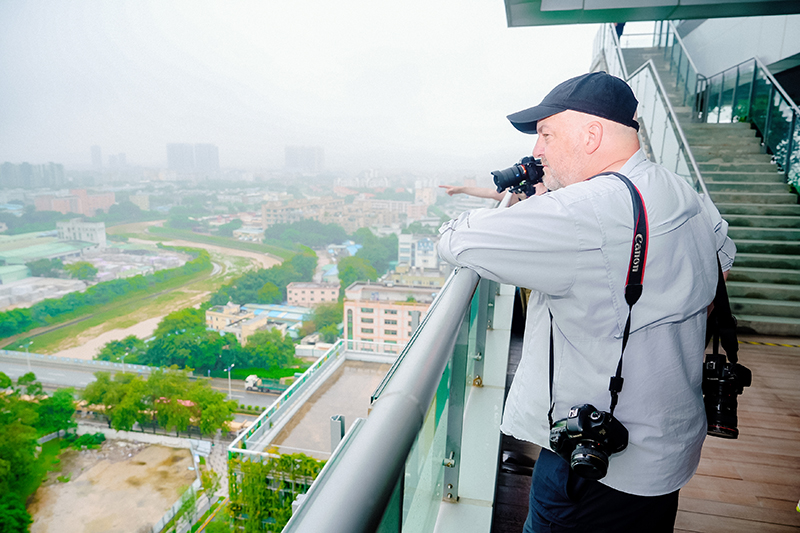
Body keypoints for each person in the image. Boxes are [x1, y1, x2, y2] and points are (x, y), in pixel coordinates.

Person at [438, 72, 735, 532]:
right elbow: (722, 264)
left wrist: (531, 204)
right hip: (665, 453)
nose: (537, 151)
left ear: (591, 134)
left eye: (546, 134)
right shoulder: (680, 189)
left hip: (594, 464)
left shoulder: (584, 211)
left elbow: (455, 240)